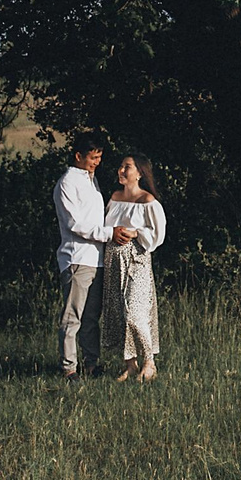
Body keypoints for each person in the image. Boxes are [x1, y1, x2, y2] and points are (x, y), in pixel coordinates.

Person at [51, 136, 137, 379]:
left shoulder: (92, 181)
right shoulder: (67, 183)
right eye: (92, 157)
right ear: (78, 156)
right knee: (73, 316)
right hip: (77, 258)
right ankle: (69, 368)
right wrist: (110, 234)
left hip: (97, 258)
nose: (97, 162)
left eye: (99, 157)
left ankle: (91, 363)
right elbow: (75, 223)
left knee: (91, 316)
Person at [99, 154, 168, 381]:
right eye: (120, 166)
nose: (120, 170)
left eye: (126, 167)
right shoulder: (115, 198)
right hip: (113, 262)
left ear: (139, 173)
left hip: (136, 262)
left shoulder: (147, 201)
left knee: (134, 314)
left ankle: (149, 363)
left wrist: (137, 233)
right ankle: (130, 365)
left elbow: (158, 236)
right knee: (118, 312)